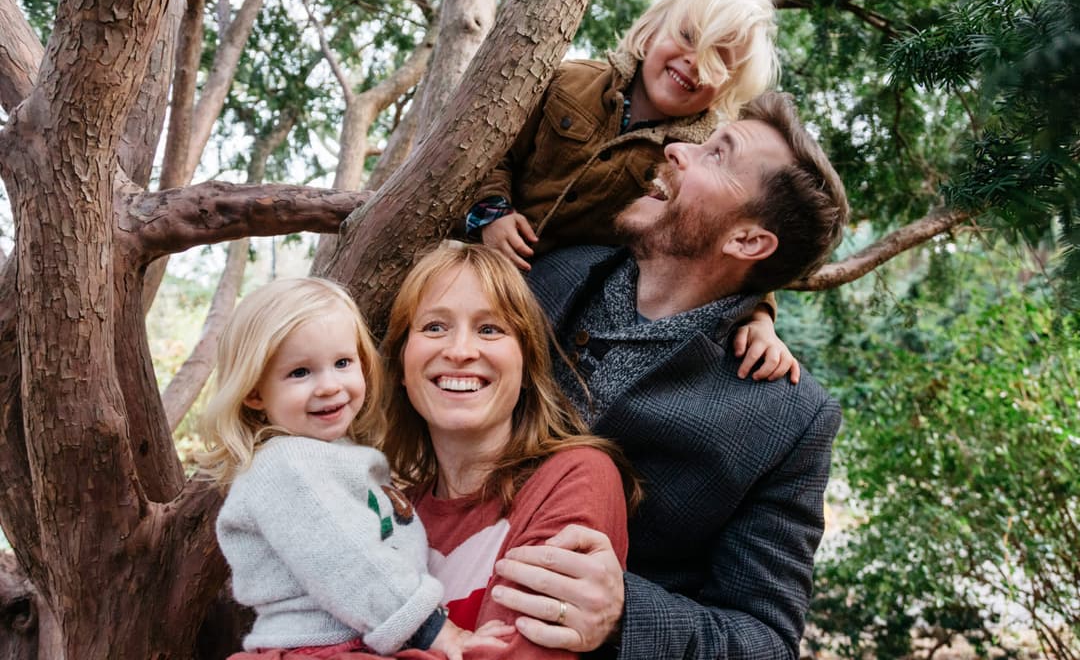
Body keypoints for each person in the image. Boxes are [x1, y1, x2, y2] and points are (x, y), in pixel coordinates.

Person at [488, 91, 850, 660]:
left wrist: (621, 613)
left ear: (747, 241)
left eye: (716, 155)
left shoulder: (790, 421)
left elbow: (766, 640)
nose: (678, 148)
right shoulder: (539, 275)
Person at [467, 0, 798, 384]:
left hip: (557, 307)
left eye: (718, 60)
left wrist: (761, 317)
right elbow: (494, 150)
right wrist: (491, 212)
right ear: (653, 28)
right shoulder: (568, 81)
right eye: (688, 36)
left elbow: (725, 239)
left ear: (729, 86)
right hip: (475, 257)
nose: (694, 61)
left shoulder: (695, 160)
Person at [199, 277, 509, 660]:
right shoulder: (287, 466)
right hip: (322, 648)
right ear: (255, 392)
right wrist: (437, 631)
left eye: (343, 363)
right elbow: (348, 561)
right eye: (300, 372)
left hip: (366, 638)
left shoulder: (331, 456)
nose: (329, 386)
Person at [380, 242, 640, 659]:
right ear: (400, 366)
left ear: (525, 367)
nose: (461, 351)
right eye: (434, 327)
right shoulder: (392, 514)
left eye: (489, 329)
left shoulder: (575, 476)